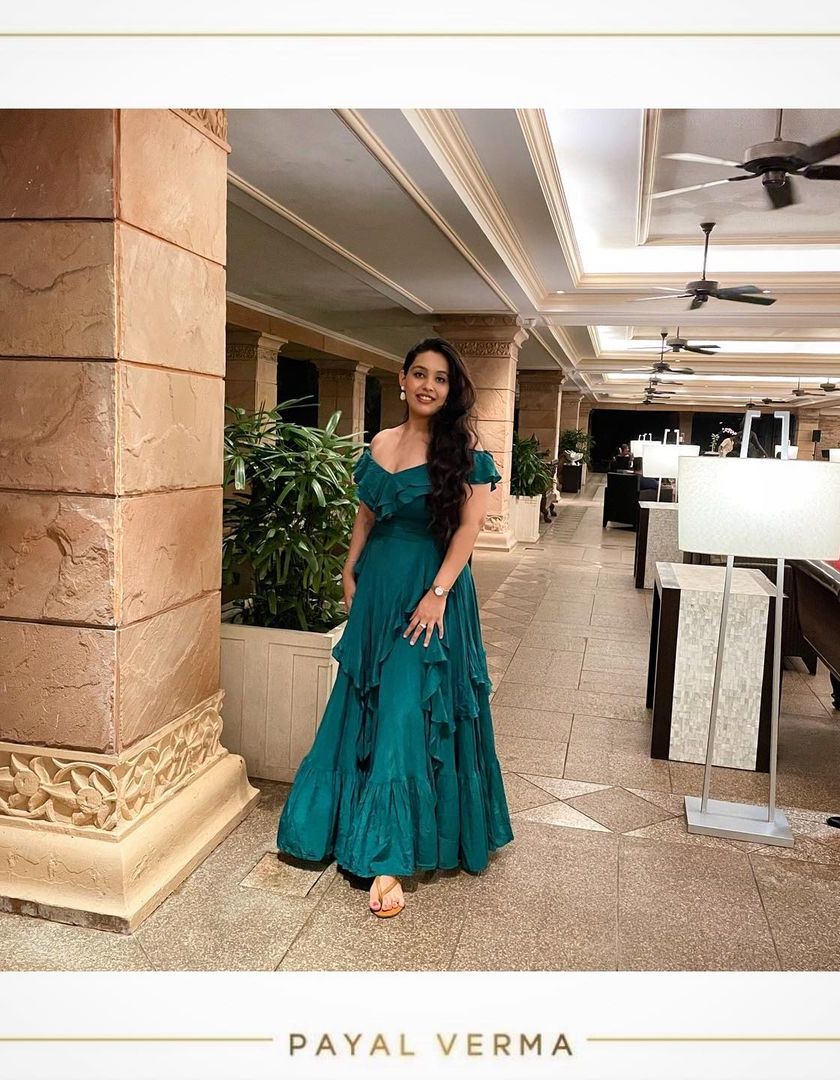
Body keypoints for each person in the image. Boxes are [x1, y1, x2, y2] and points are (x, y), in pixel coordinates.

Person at [276, 337, 514, 917]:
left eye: (441, 378)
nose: (429, 385)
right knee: (364, 697)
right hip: (379, 586)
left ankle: (389, 855)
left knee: (408, 707)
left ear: (452, 389)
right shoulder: (381, 442)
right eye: (420, 374)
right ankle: (343, 825)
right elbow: (366, 513)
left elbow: (467, 531)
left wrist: (438, 594)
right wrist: (349, 568)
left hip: (431, 590)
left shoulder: (465, 452)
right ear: (403, 379)